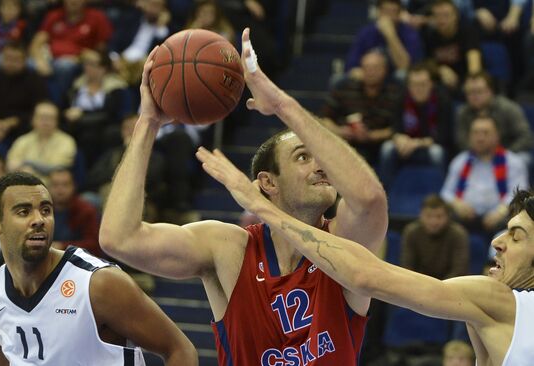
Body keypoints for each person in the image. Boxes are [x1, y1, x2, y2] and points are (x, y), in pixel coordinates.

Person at [100, 28, 388, 365]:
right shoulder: (229, 249)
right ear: (268, 182)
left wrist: (281, 104)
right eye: (302, 157)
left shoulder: (345, 243)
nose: (321, 165)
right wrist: (147, 123)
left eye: (320, 156)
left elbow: (369, 200)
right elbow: (118, 238)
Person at [195, 128, 534, 366]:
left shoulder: (498, 300)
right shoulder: (494, 310)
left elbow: (363, 274)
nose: (496, 243)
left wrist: (259, 204)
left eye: (516, 236)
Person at [0, 171, 198, 365]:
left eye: (46, 210)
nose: (39, 220)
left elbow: (180, 350)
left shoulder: (99, 283)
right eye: (23, 212)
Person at [441, 116, 529, 236]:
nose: (480, 138)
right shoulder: (460, 161)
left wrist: (500, 212)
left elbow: (520, 195)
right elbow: (446, 192)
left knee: (515, 220)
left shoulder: (513, 162)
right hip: (465, 217)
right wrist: (457, 204)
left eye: (485, 133)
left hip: (501, 218)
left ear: (497, 135)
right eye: (475, 133)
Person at [456, 72, 533, 165]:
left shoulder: (508, 108)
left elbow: (525, 137)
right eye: (470, 92)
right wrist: (480, 153)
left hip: (509, 152)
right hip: (477, 154)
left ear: (490, 91)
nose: (474, 96)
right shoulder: (463, 112)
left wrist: (505, 154)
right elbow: (462, 140)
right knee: (459, 162)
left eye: (479, 91)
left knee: (523, 159)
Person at [345, 0, 423, 79]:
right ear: (378, 12)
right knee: (338, 80)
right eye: (385, 11)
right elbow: (351, 66)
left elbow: (406, 67)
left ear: (400, 14)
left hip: (393, 79)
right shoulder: (366, 32)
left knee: (401, 75)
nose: (389, 17)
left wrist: (390, 35)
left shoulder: (410, 34)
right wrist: (368, 74)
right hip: (368, 76)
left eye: (393, 12)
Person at [401, 194, 469, 280]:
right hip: (419, 285)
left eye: (439, 216)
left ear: (448, 216)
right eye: (428, 216)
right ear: (420, 215)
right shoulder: (411, 233)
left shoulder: (458, 234)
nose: (433, 221)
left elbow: (459, 270)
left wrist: (439, 288)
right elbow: (407, 268)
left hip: (450, 286)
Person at [6, 100, 77, 184]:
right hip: (24, 189)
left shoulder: (67, 141)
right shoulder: (22, 141)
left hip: (52, 191)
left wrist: (28, 164)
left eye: (50, 118)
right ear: (33, 119)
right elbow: (11, 166)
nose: (46, 122)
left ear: (57, 121)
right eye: (42, 117)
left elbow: (55, 169)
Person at [49, 167, 103, 258]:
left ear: (74, 186)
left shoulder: (86, 210)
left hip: (78, 261)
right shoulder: (41, 211)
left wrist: (63, 246)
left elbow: (95, 246)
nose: (60, 190)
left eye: (65, 185)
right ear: (48, 187)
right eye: (55, 185)